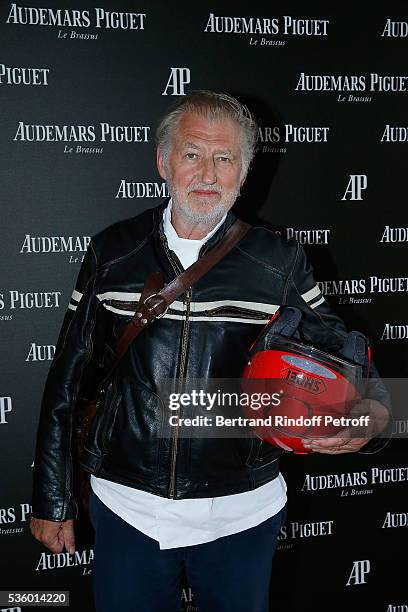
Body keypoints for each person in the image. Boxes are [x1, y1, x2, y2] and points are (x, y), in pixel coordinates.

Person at [30, 91, 389, 612]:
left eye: (225, 159)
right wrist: (52, 498)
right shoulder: (113, 251)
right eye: (192, 153)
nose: (207, 173)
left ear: (243, 174)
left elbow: (354, 363)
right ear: (163, 161)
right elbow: (67, 378)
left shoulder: (279, 261)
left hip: (242, 512)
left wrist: (372, 416)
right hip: (128, 504)